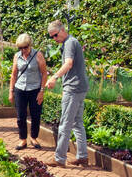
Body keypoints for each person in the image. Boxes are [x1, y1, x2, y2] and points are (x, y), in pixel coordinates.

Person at [44, 20, 89, 166]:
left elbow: (68, 63)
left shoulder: (69, 43)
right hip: (80, 87)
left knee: (65, 124)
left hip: (74, 88)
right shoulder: (71, 42)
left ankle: (59, 158)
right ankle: (82, 156)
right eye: (51, 37)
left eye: (55, 35)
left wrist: (54, 77)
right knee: (77, 122)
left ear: (62, 30)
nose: (54, 39)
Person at [8, 32, 48, 150]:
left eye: (25, 47)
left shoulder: (38, 55)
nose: (23, 50)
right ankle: (22, 139)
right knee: (21, 116)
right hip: (20, 88)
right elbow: (14, 75)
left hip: (34, 89)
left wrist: (41, 91)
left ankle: (34, 137)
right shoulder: (17, 56)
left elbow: (44, 73)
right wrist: (11, 91)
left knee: (35, 115)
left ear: (30, 45)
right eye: (20, 48)